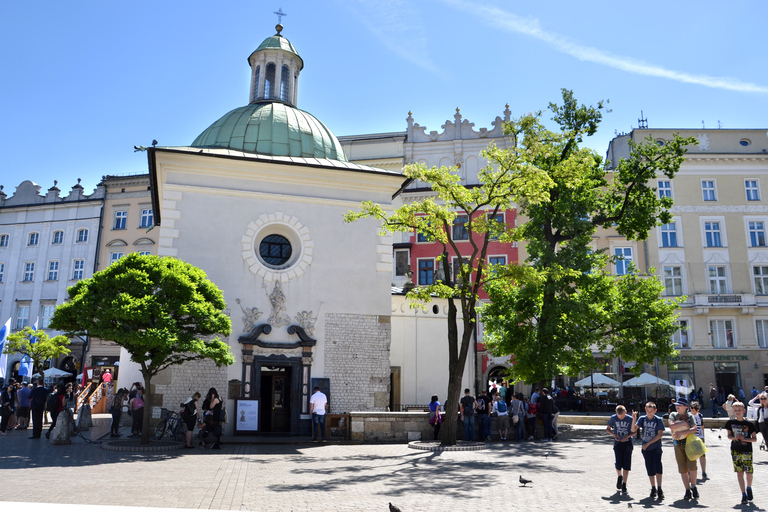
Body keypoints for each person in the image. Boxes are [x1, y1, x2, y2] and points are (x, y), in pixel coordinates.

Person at [631, 402, 665, 500]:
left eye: (651, 411)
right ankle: (653, 488)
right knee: (649, 468)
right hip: (646, 449)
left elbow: (660, 435)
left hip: (656, 448)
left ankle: (659, 488)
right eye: (648, 411)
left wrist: (648, 443)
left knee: (658, 467)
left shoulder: (658, 420)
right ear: (645, 410)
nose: (649, 413)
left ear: (655, 411)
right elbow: (633, 430)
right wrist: (634, 419)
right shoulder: (642, 419)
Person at [725, 401, 757, 504]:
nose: (738, 412)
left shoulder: (749, 424)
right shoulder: (730, 423)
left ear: (744, 411)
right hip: (735, 450)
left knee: (749, 472)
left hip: (747, 450)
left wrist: (745, 439)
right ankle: (743, 494)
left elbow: (754, 439)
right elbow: (729, 436)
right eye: (736, 410)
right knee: (740, 472)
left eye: (740, 410)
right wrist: (735, 437)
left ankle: (749, 487)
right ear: (733, 411)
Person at [668, 398, 699, 501]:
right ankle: (687, 489)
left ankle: (693, 486)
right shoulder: (673, 415)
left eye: (680, 405)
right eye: (677, 405)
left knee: (692, 466)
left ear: (686, 407)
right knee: (682, 468)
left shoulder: (690, 416)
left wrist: (682, 433)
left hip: (689, 444)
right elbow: (671, 425)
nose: (677, 406)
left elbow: (694, 429)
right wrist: (684, 424)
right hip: (678, 445)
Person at [607, 405, 634, 493]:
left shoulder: (630, 419)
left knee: (626, 464)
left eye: (622, 416)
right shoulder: (613, 418)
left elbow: (634, 432)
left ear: (625, 412)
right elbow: (608, 429)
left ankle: (624, 484)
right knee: (618, 463)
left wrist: (627, 436)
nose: (621, 418)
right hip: (618, 443)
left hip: (627, 443)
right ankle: (619, 476)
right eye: (619, 417)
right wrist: (615, 435)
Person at [690, 401, 707, 479]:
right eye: (692, 410)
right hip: (691, 438)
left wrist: (703, 436)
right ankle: (691, 471)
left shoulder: (700, 416)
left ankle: (704, 472)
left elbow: (702, 427)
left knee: (702, 455)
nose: (693, 412)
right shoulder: (689, 416)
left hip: (699, 437)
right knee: (692, 455)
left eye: (695, 410)